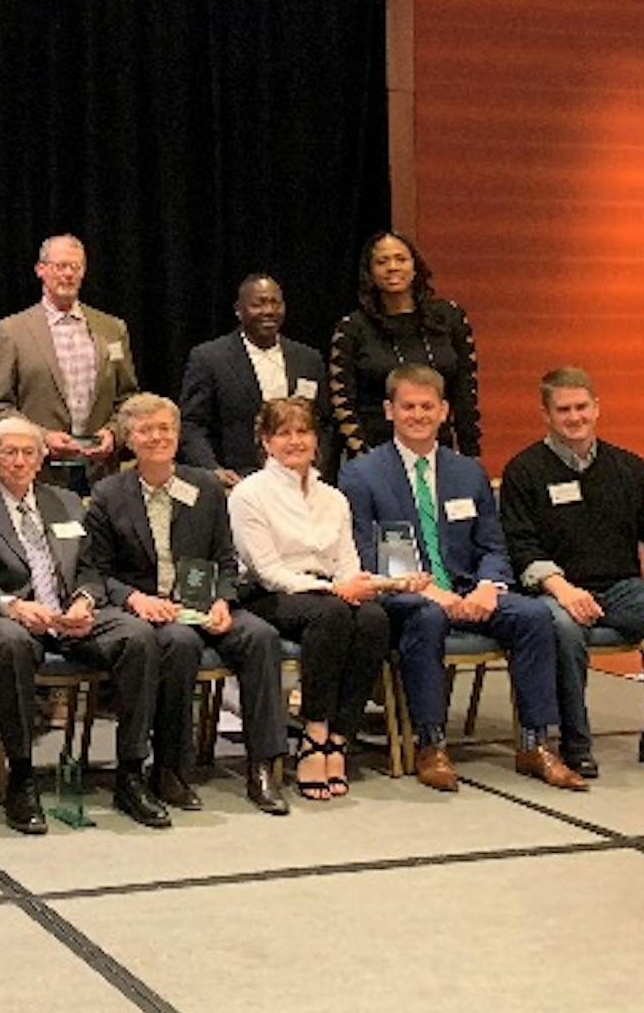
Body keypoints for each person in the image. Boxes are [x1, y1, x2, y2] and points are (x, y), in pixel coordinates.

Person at [337, 366, 585, 793]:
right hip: (406, 596)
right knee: (426, 618)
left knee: (533, 615)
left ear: (444, 410)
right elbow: (368, 553)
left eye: (427, 406)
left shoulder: (468, 472)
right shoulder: (362, 474)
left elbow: (493, 545)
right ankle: (431, 743)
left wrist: (489, 586)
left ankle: (535, 742)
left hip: (471, 589)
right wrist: (432, 593)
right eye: (408, 406)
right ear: (389, 411)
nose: (418, 414)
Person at [0, 417, 174, 831]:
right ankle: (21, 778)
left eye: (29, 453)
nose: (20, 462)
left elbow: (91, 567)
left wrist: (85, 599)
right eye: (10, 453)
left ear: (42, 459)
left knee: (139, 636)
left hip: (71, 614)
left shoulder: (68, 502)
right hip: (15, 617)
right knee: (10, 645)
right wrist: (14, 606)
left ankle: (131, 772)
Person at [499, 366, 644, 780]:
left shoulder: (629, 468)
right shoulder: (524, 471)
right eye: (564, 410)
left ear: (597, 408)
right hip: (555, 590)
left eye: (582, 407)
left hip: (623, 589)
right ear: (546, 416)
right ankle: (574, 745)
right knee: (560, 626)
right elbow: (520, 546)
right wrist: (562, 590)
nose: (575, 417)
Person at [82, 396, 292, 818]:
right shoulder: (108, 494)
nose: (157, 437)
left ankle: (264, 766)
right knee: (178, 643)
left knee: (261, 637)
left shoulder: (207, 487)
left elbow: (226, 560)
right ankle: (170, 768)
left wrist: (222, 599)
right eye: (145, 430)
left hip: (202, 602)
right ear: (128, 439)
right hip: (150, 611)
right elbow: (95, 572)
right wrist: (134, 599)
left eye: (165, 428)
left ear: (177, 434)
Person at [230, 397, 390, 801]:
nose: (294, 441)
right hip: (269, 594)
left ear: (316, 440)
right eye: (283, 433)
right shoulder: (249, 494)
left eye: (302, 432)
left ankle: (340, 736)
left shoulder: (333, 497)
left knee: (374, 619)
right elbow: (267, 570)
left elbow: (347, 562)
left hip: (327, 593)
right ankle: (313, 733)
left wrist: (357, 584)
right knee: (332, 614)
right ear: (266, 442)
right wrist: (335, 589)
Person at [0, 234, 137, 491]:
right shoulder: (13, 331)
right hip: (40, 473)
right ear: (40, 270)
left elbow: (128, 399)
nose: (68, 274)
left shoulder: (112, 329)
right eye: (60, 266)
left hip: (101, 475)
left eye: (75, 267)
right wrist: (42, 438)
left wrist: (112, 433)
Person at [328, 232, 481, 462]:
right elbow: (342, 403)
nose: (392, 267)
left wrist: (470, 457)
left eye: (401, 259)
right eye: (382, 261)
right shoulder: (352, 328)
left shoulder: (450, 317)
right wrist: (365, 458)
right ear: (369, 273)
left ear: (415, 266)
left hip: (440, 452)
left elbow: (465, 393)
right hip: (377, 455)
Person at [179, 274, 327, 485]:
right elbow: (191, 424)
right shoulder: (210, 358)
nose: (268, 311)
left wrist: (316, 468)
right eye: (258, 304)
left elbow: (325, 422)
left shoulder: (308, 359)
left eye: (275, 303)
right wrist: (212, 470)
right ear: (239, 310)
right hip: (238, 482)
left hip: (301, 479)